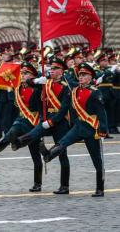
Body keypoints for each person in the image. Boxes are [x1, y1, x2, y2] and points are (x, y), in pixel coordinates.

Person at [40, 62, 108, 197]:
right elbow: (71, 108)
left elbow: (102, 113)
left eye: (84, 75)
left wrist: (103, 129)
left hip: (91, 128)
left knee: (96, 159)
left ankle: (99, 188)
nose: (81, 77)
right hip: (78, 126)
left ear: (90, 77)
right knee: (63, 142)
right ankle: (49, 155)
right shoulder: (75, 91)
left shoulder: (95, 92)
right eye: (80, 75)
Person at [14, 57, 72, 194]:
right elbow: (28, 82)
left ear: (61, 71)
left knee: (62, 153)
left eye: (55, 68)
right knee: (34, 133)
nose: (52, 71)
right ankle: (20, 141)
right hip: (46, 118)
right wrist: (37, 80)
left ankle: (64, 186)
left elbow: (64, 109)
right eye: (51, 68)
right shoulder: (45, 83)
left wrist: (52, 121)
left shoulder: (66, 87)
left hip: (60, 121)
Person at [0, 62, 44, 192]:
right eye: (23, 73)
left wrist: (39, 83)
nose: (23, 75)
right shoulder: (18, 87)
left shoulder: (38, 89)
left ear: (33, 75)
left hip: (34, 122)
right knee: (11, 132)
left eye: (26, 73)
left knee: (35, 155)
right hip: (21, 119)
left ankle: (38, 183)